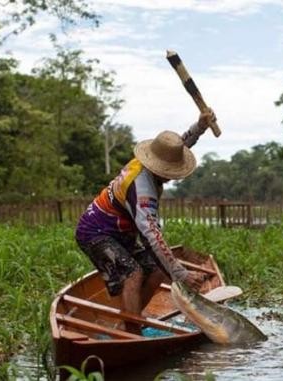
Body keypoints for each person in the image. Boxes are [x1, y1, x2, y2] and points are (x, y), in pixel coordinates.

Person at [75, 110, 217, 333]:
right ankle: (131, 332)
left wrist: (200, 127)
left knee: (158, 270)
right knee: (133, 274)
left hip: (121, 233)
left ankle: (130, 319)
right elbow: (152, 236)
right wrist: (181, 274)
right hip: (96, 232)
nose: (171, 175)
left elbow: (177, 147)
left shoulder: (151, 162)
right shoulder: (143, 190)